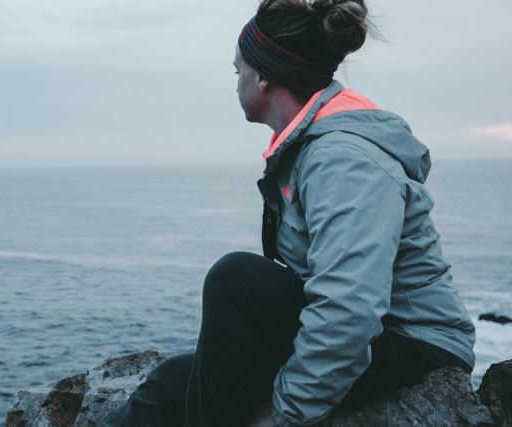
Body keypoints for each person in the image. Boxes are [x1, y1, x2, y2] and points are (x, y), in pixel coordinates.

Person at [105, 1, 476, 426]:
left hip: (417, 345)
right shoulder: (311, 145)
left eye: (237, 70)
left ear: (262, 76)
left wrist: (286, 413)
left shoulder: (343, 159)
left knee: (236, 280)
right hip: (377, 334)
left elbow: (350, 310)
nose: (235, 81)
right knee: (174, 380)